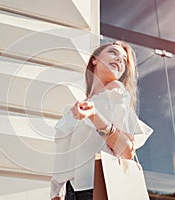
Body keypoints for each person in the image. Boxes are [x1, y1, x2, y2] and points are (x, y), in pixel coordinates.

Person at [50, 41, 153, 200]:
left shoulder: (117, 96)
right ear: (94, 59)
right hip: (71, 192)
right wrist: (56, 192)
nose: (120, 59)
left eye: (124, 60)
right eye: (113, 52)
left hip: (102, 187)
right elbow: (64, 159)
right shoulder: (75, 109)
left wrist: (94, 116)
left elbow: (126, 151)